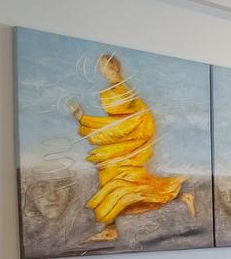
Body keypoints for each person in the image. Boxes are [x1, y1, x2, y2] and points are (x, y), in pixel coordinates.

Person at [71, 54, 193, 243]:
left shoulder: (122, 91)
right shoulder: (117, 91)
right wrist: (84, 120)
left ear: (114, 68)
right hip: (121, 148)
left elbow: (121, 125)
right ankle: (112, 228)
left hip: (129, 146)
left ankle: (112, 228)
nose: (100, 69)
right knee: (121, 190)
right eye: (100, 66)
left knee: (122, 189)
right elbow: (116, 124)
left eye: (103, 65)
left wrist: (84, 120)